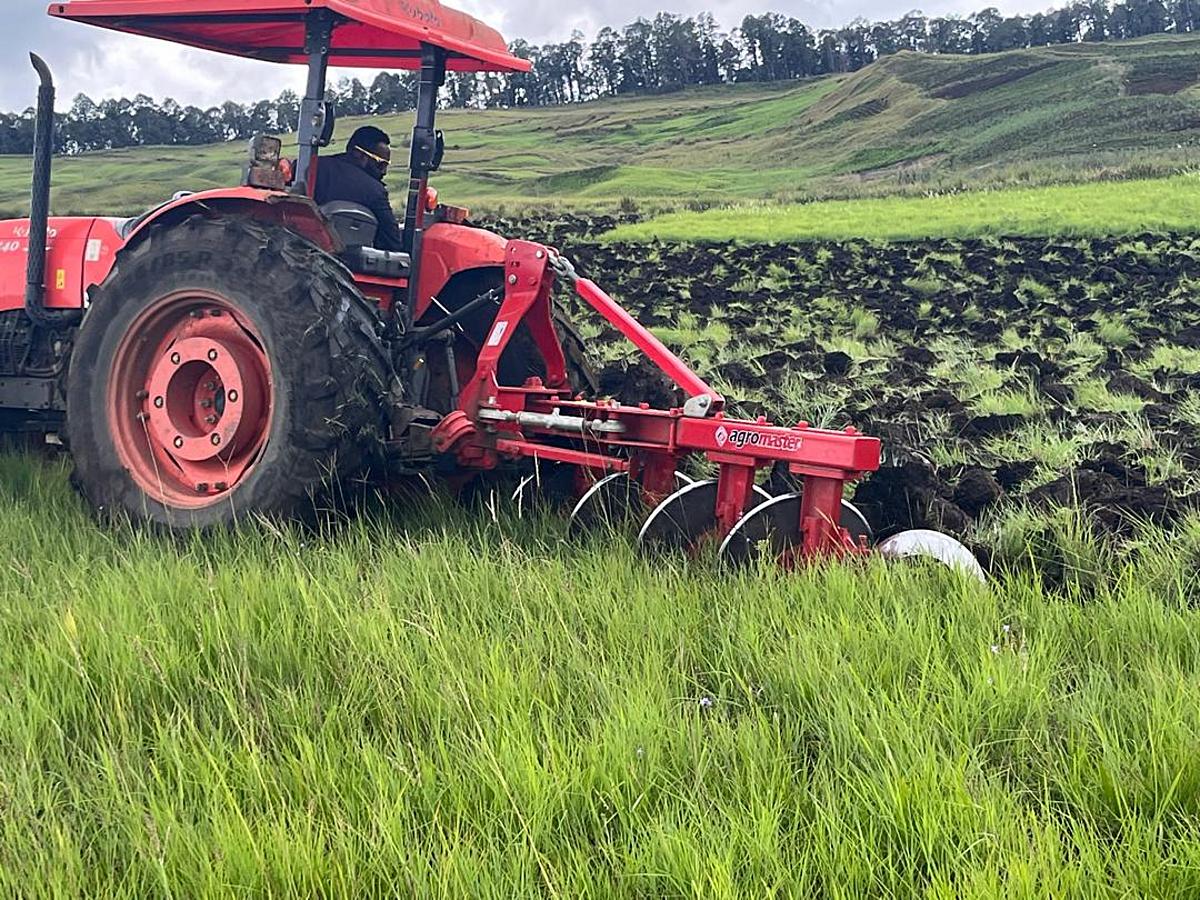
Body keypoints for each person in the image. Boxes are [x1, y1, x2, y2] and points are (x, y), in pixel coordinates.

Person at [313, 125, 405, 252]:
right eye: (380, 164)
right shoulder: (375, 191)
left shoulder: (310, 167)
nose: (384, 172)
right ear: (359, 154)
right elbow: (392, 242)